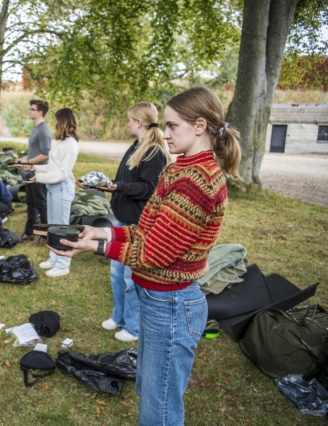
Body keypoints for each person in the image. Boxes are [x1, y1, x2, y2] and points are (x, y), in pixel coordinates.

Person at [50, 87, 241, 426]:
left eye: (172, 126)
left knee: (160, 408)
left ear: (200, 126)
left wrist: (91, 247)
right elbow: (144, 229)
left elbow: (153, 253)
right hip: (158, 300)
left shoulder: (196, 181)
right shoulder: (179, 169)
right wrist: (101, 232)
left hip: (171, 305)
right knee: (151, 392)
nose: (164, 133)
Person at [79, 102, 170, 341]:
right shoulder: (136, 146)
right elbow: (124, 181)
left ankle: (133, 327)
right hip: (121, 220)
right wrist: (106, 185)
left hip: (137, 225)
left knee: (132, 279)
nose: (127, 123)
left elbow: (149, 189)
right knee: (116, 273)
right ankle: (118, 317)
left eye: (130, 119)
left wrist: (118, 186)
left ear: (139, 122)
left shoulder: (154, 152)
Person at [17, 108, 79, 278]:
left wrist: (37, 178)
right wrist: (34, 167)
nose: (55, 123)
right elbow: (51, 167)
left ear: (64, 121)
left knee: (62, 228)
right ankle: (54, 257)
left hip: (61, 188)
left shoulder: (71, 144)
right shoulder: (58, 142)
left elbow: (62, 173)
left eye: (57, 120)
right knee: (52, 226)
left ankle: (63, 263)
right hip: (52, 188)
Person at [19, 99, 51, 244]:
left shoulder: (44, 130)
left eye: (32, 109)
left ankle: (44, 235)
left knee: (41, 204)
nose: (29, 111)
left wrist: (29, 162)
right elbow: (34, 152)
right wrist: (23, 159)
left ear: (40, 112)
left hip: (39, 172)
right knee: (30, 203)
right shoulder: (35, 128)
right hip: (29, 172)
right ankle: (29, 232)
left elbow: (45, 154)